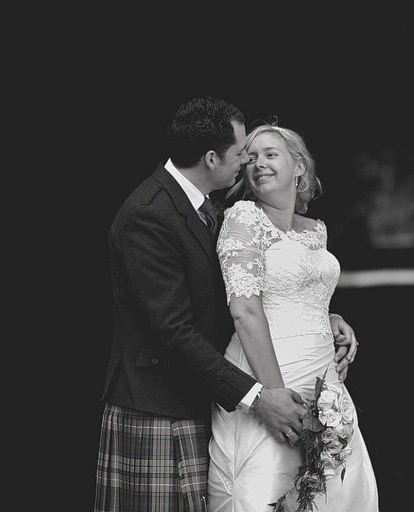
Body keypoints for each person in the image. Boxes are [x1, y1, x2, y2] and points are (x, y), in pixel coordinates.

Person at [94, 96, 359, 512]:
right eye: (242, 154)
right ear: (212, 159)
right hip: (158, 403)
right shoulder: (149, 214)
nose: (249, 163)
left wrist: (325, 316)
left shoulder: (207, 210)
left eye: (265, 154)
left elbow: (240, 290)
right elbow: (172, 330)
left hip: (206, 391)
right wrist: (260, 396)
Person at [207, 123, 378, 511]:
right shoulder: (244, 218)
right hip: (270, 374)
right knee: (268, 490)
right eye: (250, 158)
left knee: (330, 489)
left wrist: (332, 316)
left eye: (270, 154)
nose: (258, 164)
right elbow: (244, 309)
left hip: (325, 380)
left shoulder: (315, 230)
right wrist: (272, 396)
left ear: (299, 166)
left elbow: (302, 292)